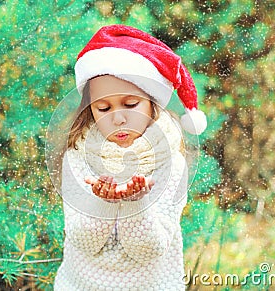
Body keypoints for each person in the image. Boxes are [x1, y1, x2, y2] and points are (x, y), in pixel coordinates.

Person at [52, 24, 207, 291]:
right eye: (103, 108)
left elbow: (149, 249)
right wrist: (104, 202)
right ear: (91, 110)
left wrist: (136, 203)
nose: (119, 117)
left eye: (131, 104)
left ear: (152, 102)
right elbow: (83, 240)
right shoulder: (78, 156)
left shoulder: (171, 162)